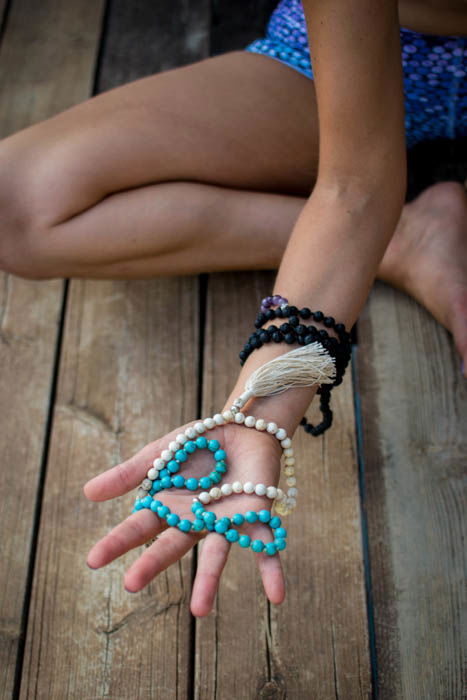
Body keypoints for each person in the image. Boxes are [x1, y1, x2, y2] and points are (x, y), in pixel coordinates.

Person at [1, 0, 465, 617]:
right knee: (14, 201)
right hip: (373, 52)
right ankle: (405, 242)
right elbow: (355, 186)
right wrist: (257, 411)